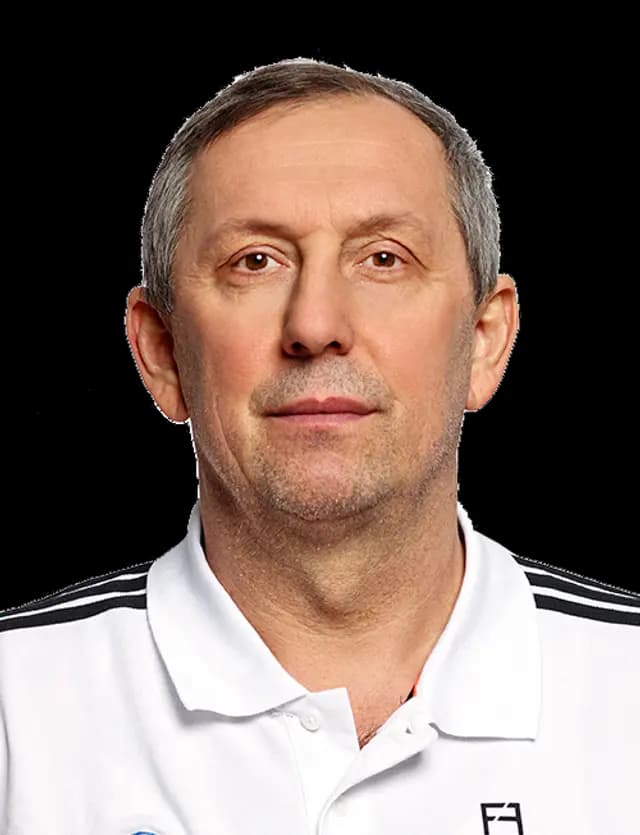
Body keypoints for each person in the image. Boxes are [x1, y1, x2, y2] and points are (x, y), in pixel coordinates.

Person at [1, 57, 638, 835]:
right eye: (255, 261)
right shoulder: (14, 707)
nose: (314, 324)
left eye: (383, 258)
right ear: (162, 353)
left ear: (483, 339)